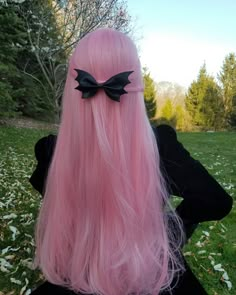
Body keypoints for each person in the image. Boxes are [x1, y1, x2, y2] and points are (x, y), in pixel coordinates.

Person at [29, 28, 232, 295]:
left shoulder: (52, 152)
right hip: (150, 273)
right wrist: (168, 231)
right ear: (135, 86)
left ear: (72, 86)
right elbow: (215, 200)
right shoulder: (160, 148)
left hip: (76, 273)